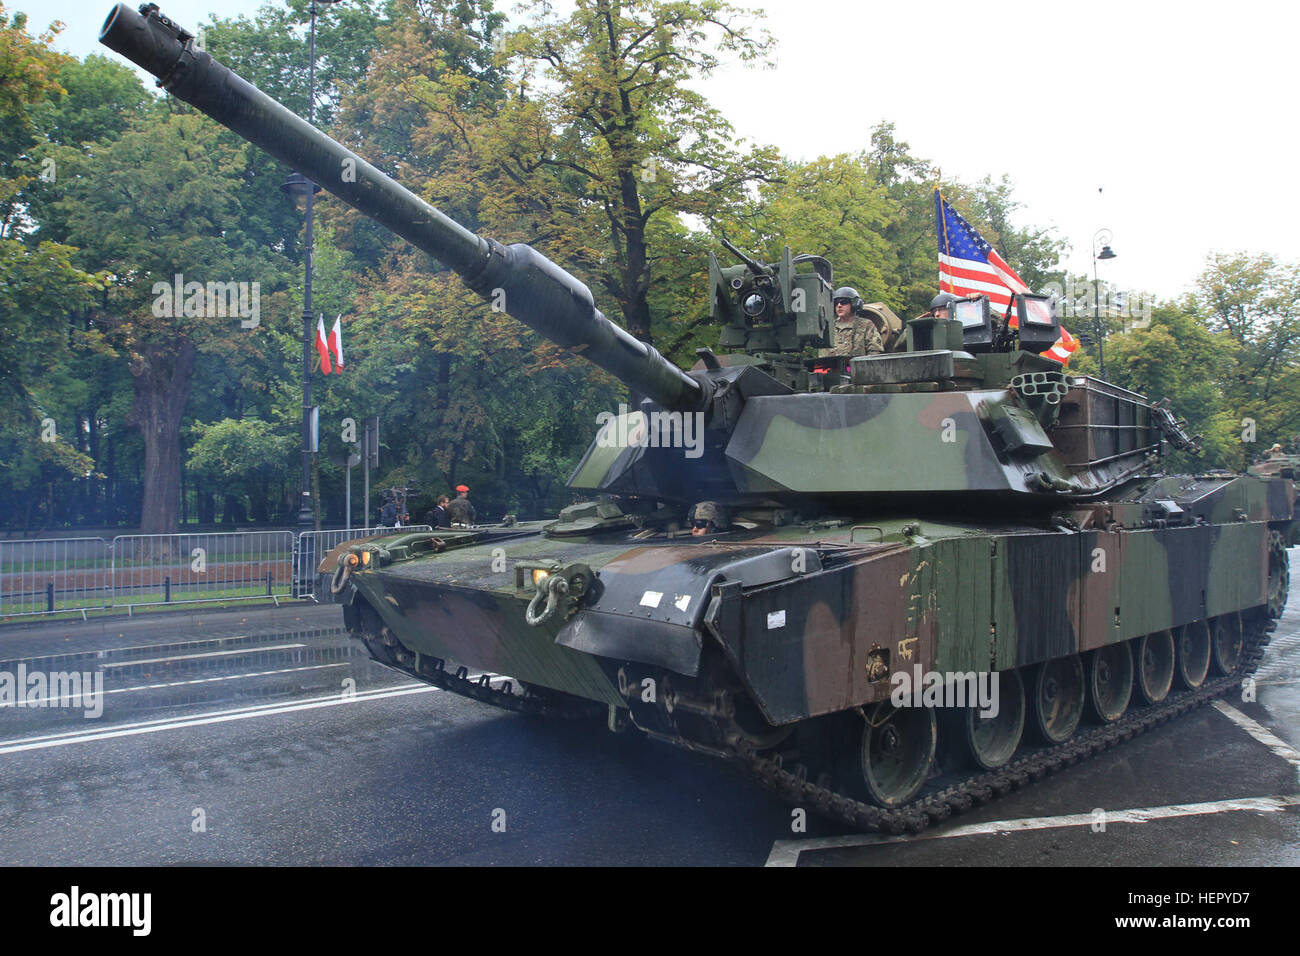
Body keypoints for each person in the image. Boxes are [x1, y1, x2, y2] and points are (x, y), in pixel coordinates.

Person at [821, 286, 883, 358]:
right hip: (831, 367)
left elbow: (875, 352)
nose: (839, 305)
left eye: (844, 302)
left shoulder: (866, 325)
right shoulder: (828, 326)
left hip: (857, 367)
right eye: (836, 303)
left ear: (854, 304)